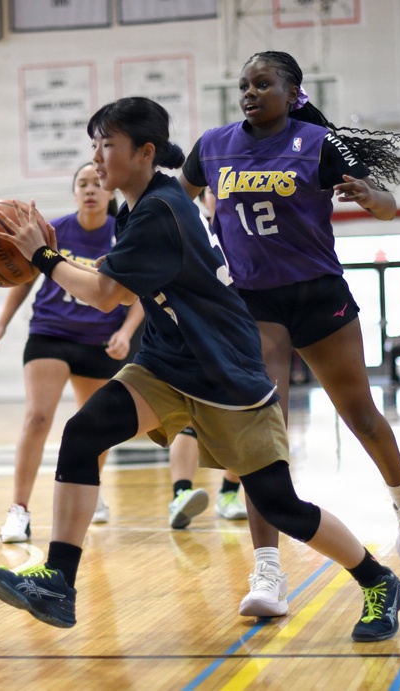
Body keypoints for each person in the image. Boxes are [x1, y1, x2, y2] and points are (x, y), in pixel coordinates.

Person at [0, 96, 400, 643]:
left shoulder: (159, 211)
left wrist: (43, 258)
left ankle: (378, 580)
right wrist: (51, 259)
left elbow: (107, 295)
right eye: (94, 146)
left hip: (223, 370)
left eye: (107, 145)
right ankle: (59, 578)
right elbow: (112, 284)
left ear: (144, 152)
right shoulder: (140, 206)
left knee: (281, 505)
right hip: (166, 362)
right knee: (84, 432)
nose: (98, 158)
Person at [179, 50, 400, 618]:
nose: (249, 92)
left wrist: (373, 200)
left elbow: (388, 205)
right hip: (254, 301)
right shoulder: (214, 145)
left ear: (292, 93)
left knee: (360, 415)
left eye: (262, 84)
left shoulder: (316, 144)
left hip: (317, 294)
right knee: (261, 435)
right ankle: (267, 571)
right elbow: (177, 195)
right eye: (244, 84)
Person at [0, 162, 144, 541]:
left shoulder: (123, 235)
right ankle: (18, 510)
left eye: (96, 183)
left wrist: (126, 331)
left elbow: (140, 289)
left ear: (109, 192)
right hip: (50, 333)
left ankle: (95, 489)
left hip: (100, 340)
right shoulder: (53, 231)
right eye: (82, 183)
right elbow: (23, 279)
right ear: (74, 192)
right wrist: (2, 323)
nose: (90, 189)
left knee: (95, 427)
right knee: (37, 418)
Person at [167, 188, 246, 529]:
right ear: (204, 196)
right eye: (213, 190)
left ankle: (229, 492)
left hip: (243, 334)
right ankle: (180, 496)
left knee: (243, 422)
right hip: (198, 334)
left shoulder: (246, 229)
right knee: (189, 417)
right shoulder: (193, 227)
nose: (220, 195)